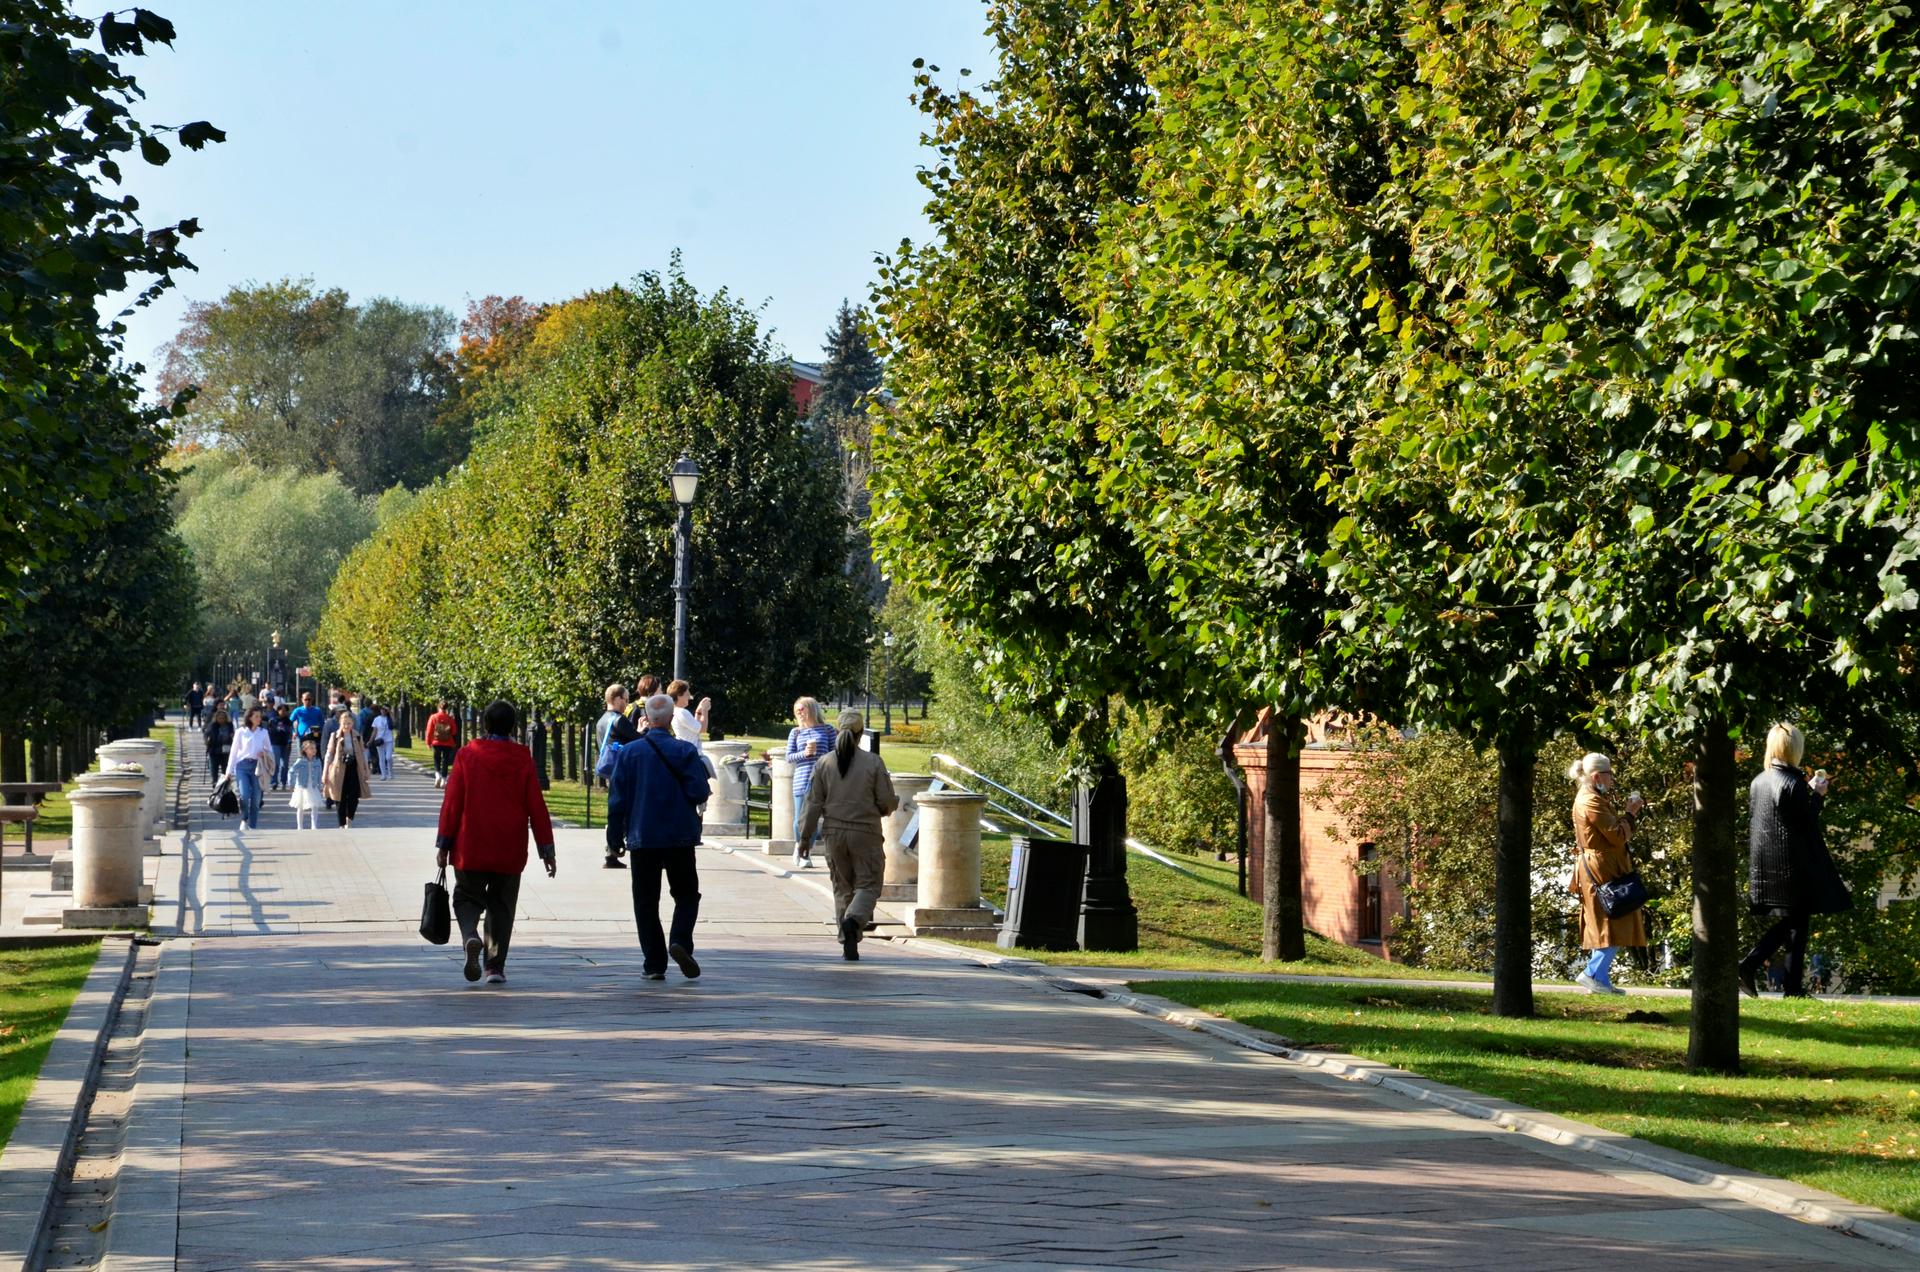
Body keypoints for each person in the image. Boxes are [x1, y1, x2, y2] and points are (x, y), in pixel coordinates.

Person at [435, 700, 556, 986]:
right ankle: (494, 967)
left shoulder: (467, 755)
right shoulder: (522, 757)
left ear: (485, 724)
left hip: (470, 843)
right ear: (513, 726)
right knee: (502, 905)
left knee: (465, 897)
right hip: (509, 846)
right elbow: (536, 806)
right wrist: (546, 849)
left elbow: (452, 803)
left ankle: (470, 936)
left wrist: (443, 842)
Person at [1739, 723, 1850, 998]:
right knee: (1797, 924)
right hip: (1793, 865)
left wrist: (1808, 791)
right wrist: (1818, 796)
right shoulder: (1792, 783)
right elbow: (1807, 824)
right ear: (1795, 749)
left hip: (1765, 865)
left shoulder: (1759, 780)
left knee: (1793, 924)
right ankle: (1754, 969)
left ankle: (1784, 984)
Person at [607, 693, 711, 981]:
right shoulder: (685, 752)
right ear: (669, 720)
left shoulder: (629, 754)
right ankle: (679, 940)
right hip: (680, 835)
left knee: (645, 901)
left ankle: (654, 963)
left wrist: (614, 838)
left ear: (648, 719)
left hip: (643, 836)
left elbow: (616, 801)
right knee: (687, 894)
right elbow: (699, 792)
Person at [798, 710, 899, 961]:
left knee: (842, 887)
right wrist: (890, 806)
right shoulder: (874, 762)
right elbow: (885, 800)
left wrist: (804, 838)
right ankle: (854, 921)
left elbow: (812, 804)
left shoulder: (824, 763)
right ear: (860, 733)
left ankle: (847, 941)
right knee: (869, 884)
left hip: (833, 834)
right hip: (866, 833)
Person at [1567, 752, 1646, 994]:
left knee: (1609, 921)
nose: (1612, 779)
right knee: (1614, 919)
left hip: (1605, 866)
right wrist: (1630, 813)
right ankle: (1591, 973)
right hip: (1601, 869)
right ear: (1596, 775)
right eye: (1609, 774)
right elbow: (1617, 835)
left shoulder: (1594, 797)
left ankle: (1599, 979)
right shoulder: (1589, 801)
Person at [783, 697, 837, 868]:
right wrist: (804, 753)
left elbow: (835, 752)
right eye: (797, 710)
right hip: (802, 778)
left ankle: (806, 852)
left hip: (821, 779)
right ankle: (798, 847)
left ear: (812, 709)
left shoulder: (827, 729)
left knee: (813, 819)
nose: (799, 713)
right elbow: (789, 756)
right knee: (800, 818)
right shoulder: (796, 732)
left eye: (802, 709)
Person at [226, 706, 274, 830]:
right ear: (249, 717)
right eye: (256, 716)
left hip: (258, 767)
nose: (259, 719)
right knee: (244, 794)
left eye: (260, 716)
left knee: (256, 798)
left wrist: (264, 753)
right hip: (242, 766)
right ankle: (244, 818)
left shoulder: (263, 732)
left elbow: (270, 750)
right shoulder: (240, 732)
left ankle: (253, 825)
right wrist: (228, 772)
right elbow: (234, 752)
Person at [323, 707, 372, 828]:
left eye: (349, 723)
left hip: (354, 768)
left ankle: (349, 817)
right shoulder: (334, 736)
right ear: (340, 723)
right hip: (338, 768)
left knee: (354, 796)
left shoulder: (357, 736)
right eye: (344, 723)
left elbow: (362, 753)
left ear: (352, 724)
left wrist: (366, 770)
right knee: (339, 796)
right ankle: (341, 823)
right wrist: (325, 773)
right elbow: (329, 755)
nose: (346, 725)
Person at [286, 736, 323, 830]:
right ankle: (300, 826)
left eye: (314, 748)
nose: (314, 750)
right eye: (311, 748)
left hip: (313, 785)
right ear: (305, 750)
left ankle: (314, 825)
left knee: (315, 805)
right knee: (300, 806)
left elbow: (319, 774)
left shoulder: (317, 761)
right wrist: (292, 783)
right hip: (302, 786)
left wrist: (321, 785)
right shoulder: (300, 760)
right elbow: (292, 770)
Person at [425, 700, 459, 788]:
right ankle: (444, 780)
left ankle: (437, 775)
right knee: (445, 760)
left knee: (437, 759)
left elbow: (429, 731)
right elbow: (454, 731)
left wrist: (428, 742)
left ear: (439, 707)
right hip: (448, 742)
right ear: (446, 708)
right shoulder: (450, 718)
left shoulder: (434, 717)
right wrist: (454, 742)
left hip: (436, 741)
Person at [666, 680, 710, 749]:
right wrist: (705, 710)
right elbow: (702, 729)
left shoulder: (676, 711)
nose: (689, 697)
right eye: (687, 694)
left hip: (686, 752)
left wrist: (698, 712)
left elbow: (695, 727)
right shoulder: (682, 712)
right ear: (679, 696)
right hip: (691, 754)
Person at [265, 703, 294, 790]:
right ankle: (274, 782)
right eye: (282, 710)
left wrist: (289, 742)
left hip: (285, 744)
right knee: (276, 764)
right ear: (278, 711)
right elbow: (268, 732)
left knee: (285, 765)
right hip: (275, 744)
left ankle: (284, 782)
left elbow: (290, 733)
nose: (283, 712)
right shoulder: (273, 720)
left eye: (285, 710)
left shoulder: (289, 722)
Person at [202, 706, 234, 783]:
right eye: (219, 718)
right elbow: (206, 734)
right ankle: (215, 781)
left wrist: (232, 737)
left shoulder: (229, 725)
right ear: (216, 718)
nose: (221, 720)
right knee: (214, 768)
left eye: (223, 718)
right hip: (214, 749)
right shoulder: (213, 725)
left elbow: (232, 734)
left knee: (225, 768)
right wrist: (207, 742)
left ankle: (224, 782)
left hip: (226, 749)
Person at [370, 705, 395, 782]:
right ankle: (383, 775)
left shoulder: (389, 718)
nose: (383, 711)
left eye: (385, 709)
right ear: (380, 710)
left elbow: (394, 721)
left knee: (388, 757)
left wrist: (390, 712)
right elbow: (374, 731)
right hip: (379, 740)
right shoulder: (377, 719)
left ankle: (390, 772)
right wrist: (370, 741)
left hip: (389, 740)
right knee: (381, 758)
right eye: (382, 709)